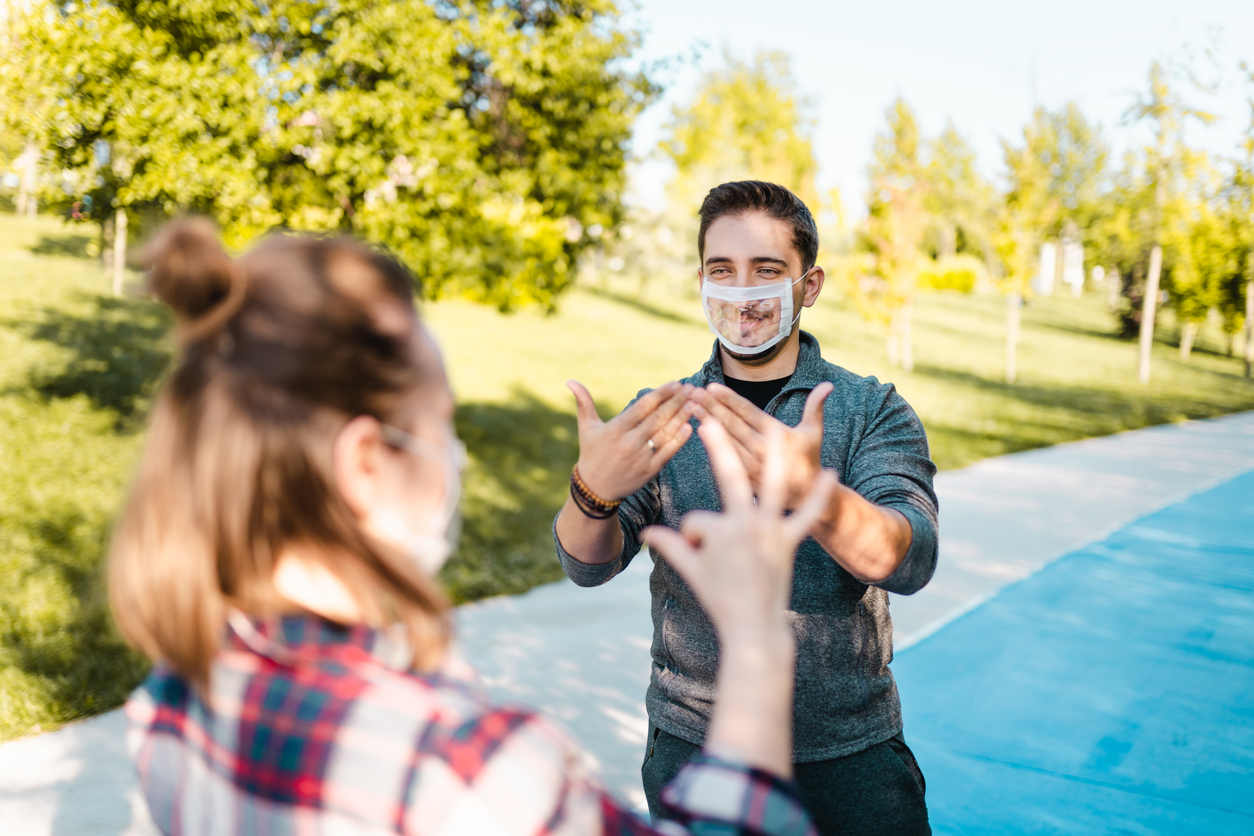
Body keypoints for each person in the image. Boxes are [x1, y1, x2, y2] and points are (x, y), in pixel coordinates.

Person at [109, 218, 832, 836]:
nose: (454, 455)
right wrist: (757, 644)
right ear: (366, 463)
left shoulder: (171, 700)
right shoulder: (468, 765)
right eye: (441, 421)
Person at [553, 181, 939, 835]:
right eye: (721, 270)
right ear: (701, 280)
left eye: (766, 271)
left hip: (850, 757)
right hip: (692, 747)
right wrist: (592, 490)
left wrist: (812, 498)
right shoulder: (664, 413)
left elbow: (909, 558)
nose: (742, 293)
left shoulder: (871, 408)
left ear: (808, 285)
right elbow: (588, 563)